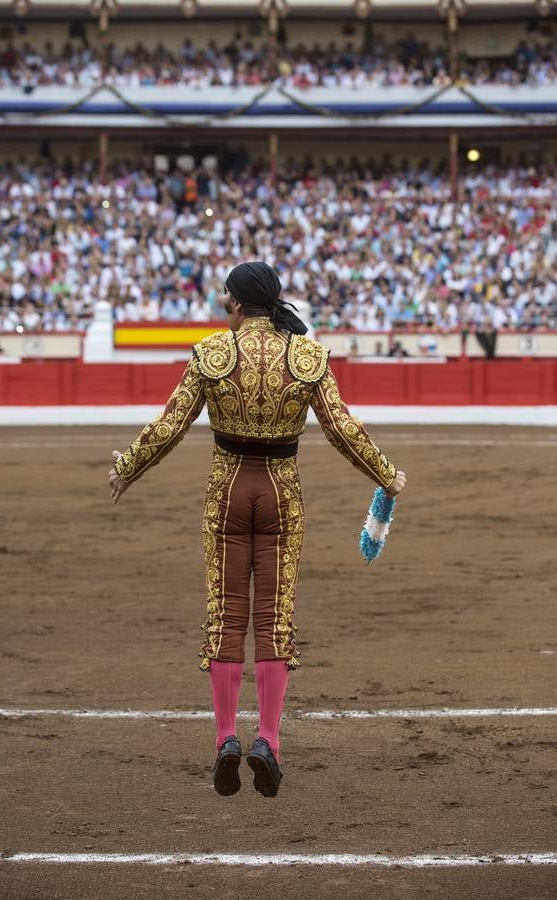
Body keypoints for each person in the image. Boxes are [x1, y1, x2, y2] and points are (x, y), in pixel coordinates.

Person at [108, 261, 406, 799]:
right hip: (280, 494)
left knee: (226, 615)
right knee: (274, 616)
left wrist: (127, 467)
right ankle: (268, 738)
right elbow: (342, 429)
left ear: (238, 305)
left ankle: (226, 737)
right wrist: (386, 473)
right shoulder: (306, 355)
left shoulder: (213, 353)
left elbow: (170, 424)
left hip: (227, 491)